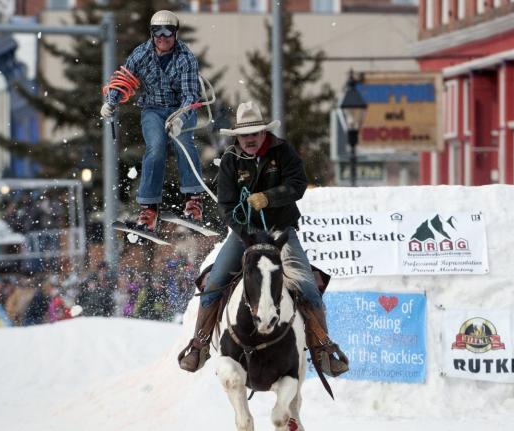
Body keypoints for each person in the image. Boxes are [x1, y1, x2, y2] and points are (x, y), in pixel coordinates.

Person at [177, 101, 349, 377]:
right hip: (244, 234)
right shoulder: (230, 160)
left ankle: (322, 347)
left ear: (263, 133)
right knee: (215, 281)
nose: (249, 139)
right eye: (244, 135)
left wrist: (269, 198)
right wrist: (245, 233)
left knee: (307, 284)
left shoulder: (283, 151)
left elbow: (297, 185)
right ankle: (200, 343)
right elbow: (226, 205)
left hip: (281, 231)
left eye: (254, 134)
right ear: (238, 136)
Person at [100, 10, 206, 232]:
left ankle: (193, 199)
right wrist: (111, 102)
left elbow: (190, 94)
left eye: (168, 31)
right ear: (151, 33)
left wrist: (180, 118)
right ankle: (148, 208)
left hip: (180, 108)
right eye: (158, 31)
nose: (163, 37)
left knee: (184, 144)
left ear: (175, 33)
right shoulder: (141, 54)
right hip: (153, 110)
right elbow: (124, 79)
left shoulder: (186, 58)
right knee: (155, 148)